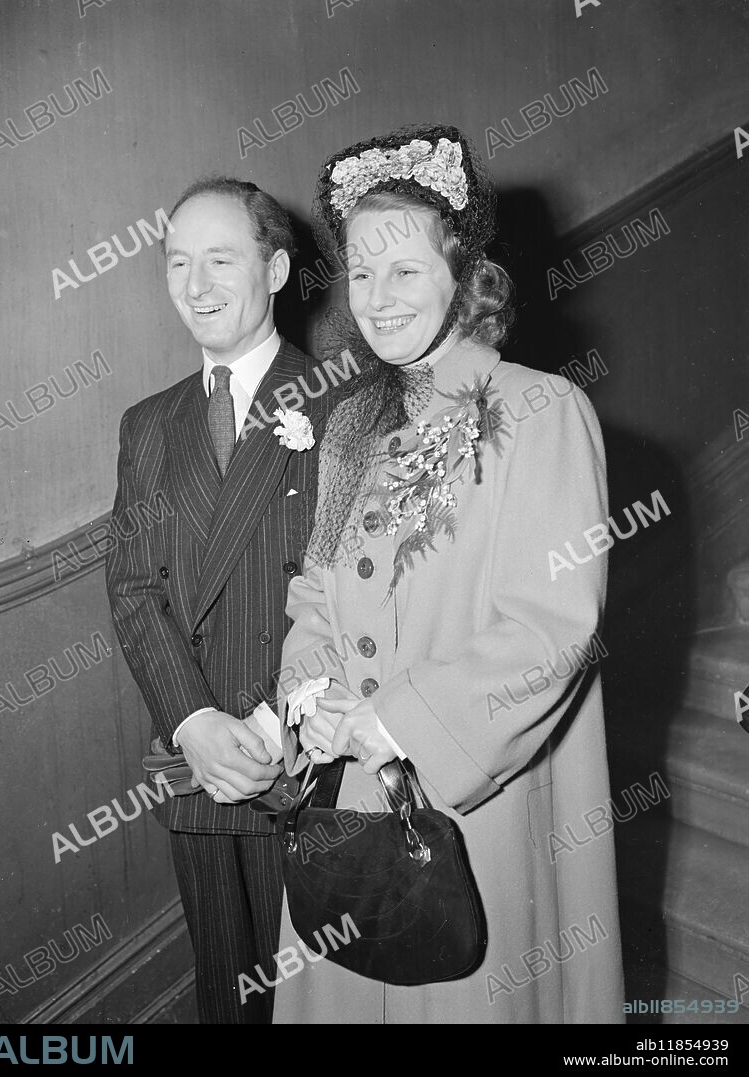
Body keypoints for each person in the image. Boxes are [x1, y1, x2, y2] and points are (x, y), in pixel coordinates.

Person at [274, 125, 625, 1023]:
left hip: (469, 806)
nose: (377, 299)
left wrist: (388, 723)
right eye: (359, 271)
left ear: (464, 276)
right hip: (346, 806)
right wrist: (307, 700)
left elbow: (552, 630)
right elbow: (316, 589)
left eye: (404, 271)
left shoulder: (542, 407)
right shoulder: (351, 422)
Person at [105, 176, 331, 1023]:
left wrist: (273, 730)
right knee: (225, 997)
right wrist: (193, 720)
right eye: (176, 264)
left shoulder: (344, 402)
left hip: (307, 769)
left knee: (316, 999)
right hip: (196, 764)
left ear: (274, 271)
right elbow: (132, 588)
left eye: (220, 260)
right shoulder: (146, 424)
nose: (195, 287)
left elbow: (363, 594)